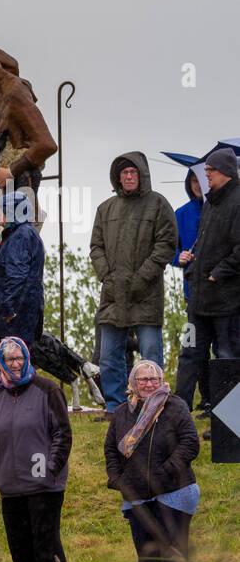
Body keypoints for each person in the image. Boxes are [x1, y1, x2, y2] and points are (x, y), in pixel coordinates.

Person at [104, 360, 199, 562]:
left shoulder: (175, 406)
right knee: (147, 554)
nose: (149, 384)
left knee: (175, 552)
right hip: (137, 494)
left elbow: (190, 443)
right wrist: (118, 480)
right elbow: (111, 449)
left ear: (161, 380)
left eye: (154, 379)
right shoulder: (123, 412)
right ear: (133, 383)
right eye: (143, 379)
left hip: (175, 491)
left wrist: (165, 471)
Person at [0, 337, 72, 562]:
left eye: (20, 358)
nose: (16, 363)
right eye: (10, 359)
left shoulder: (47, 389)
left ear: (27, 358)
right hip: (10, 487)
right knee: (20, 549)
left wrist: (51, 468)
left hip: (44, 486)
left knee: (45, 546)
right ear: (1, 362)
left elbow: (62, 433)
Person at [89, 151, 177, 414]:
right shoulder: (105, 208)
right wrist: (107, 276)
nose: (128, 176)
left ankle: (153, 404)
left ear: (142, 175)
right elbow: (96, 247)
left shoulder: (158, 204)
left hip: (146, 294)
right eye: (124, 172)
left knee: (150, 354)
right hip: (113, 296)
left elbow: (167, 244)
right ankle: (115, 406)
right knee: (108, 355)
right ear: (118, 177)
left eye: (133, 172)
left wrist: (142, 278)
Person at [185, 149, 240, 415]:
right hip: (199, 299)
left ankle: (228, 421)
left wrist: (217, 273)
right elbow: (206, 246)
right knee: (190, 354)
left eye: (210, 170)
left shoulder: (238, 201)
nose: (205, 175)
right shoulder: (209, 203)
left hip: (227, 300)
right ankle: (178, 412)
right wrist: (193, 267)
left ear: (226, 172)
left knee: (227, 357)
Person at [0, 46, 57, 199]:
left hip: (21, 179)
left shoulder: (14, 90)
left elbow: (47, 144)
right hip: (9, 184)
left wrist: (11, 172)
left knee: (21, 220)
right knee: (7, 220)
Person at [0, 191, 45, 376]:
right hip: (25, 312)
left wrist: (7, 309)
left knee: (12, 364)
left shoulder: (20, 236)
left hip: (17, 316)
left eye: (2, 210)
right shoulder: (24, 233)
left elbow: (16, 276)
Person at [172, 168, 209, 412]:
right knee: (193, 347)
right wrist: (178, 256)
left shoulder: (224, 210)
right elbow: (168, 249)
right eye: (193, 180)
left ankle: (214, 401)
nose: (197, 185)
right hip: (193, 295)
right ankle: (181, 405)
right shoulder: (181, 214)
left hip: (224, 295)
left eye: (201, 180)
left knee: (224, 350)